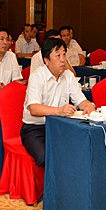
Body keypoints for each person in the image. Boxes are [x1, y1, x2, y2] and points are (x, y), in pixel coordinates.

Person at [21, 37, 94, 168]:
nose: (63, 59)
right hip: (35, 129)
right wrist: (59, 111)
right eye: (58, 55)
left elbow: (80, 100)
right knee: (45, 156)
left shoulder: (68, 76)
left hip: (61, 127)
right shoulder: (37, 77)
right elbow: (34, 109)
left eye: (64, 54)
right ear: (46, 60)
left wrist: (89, 105)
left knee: (81, 149)